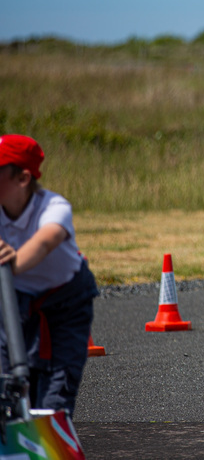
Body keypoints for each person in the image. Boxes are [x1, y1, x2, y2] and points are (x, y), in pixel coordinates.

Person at [0, 135, 99, 415]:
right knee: (9, 390)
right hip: (13, 303)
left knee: (56, 395)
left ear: (23, 178)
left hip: (66, 305)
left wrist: (13, 262)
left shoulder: (54, 206)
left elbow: (45, 240)